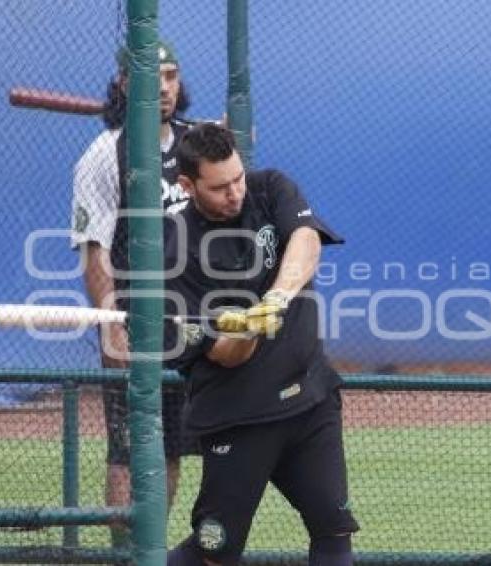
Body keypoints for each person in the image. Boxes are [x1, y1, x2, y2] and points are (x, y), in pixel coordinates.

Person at [162, 123, 359, 566]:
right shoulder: (177, 247)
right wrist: (247, 329)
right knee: (216, 550)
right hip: (240, 415)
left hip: (310, 398)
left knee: (334, 528)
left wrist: (275, 298)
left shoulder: (270, 188)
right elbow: (223, 355)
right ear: (188, 186)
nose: (235, 193)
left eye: (237, 179)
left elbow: (306, 242)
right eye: (220, 187)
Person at [70, 38, 193, 548]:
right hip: (134, 326)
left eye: (170, 76)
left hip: (191, 322)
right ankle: (127, 555)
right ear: (124, 84)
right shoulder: (104, 154)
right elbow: (94, 247)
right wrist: (109, 323)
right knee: (126, 451)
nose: (162, 87)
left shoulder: (197, 143)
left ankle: (152, 551)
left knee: (171, 450)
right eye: (150, 77)